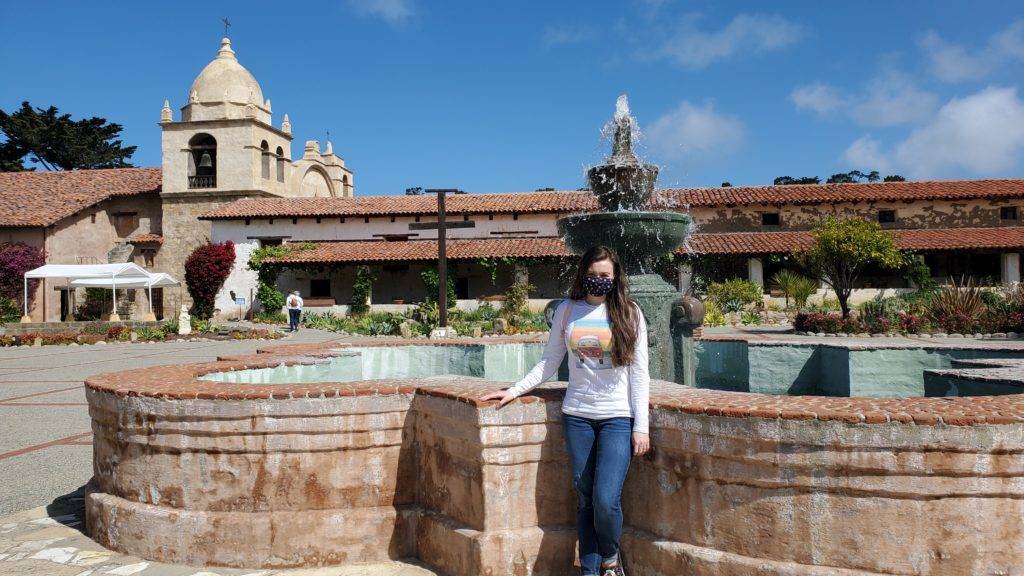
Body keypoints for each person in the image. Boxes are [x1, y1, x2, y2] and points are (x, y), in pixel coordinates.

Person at [480, 245, 650, 576]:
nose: (598, 281)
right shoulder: (567, 311)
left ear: (615, 279)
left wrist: (640, 426)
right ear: (582, 275)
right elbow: (549, 361)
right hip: (578, 417)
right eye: (592, 275)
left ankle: (611, 559)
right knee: (585, 498)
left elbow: (639, 374)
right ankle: (589, 568)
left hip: (617, 417)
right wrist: (514, 390)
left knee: (605, 499)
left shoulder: (631, 313)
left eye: (605, 276)